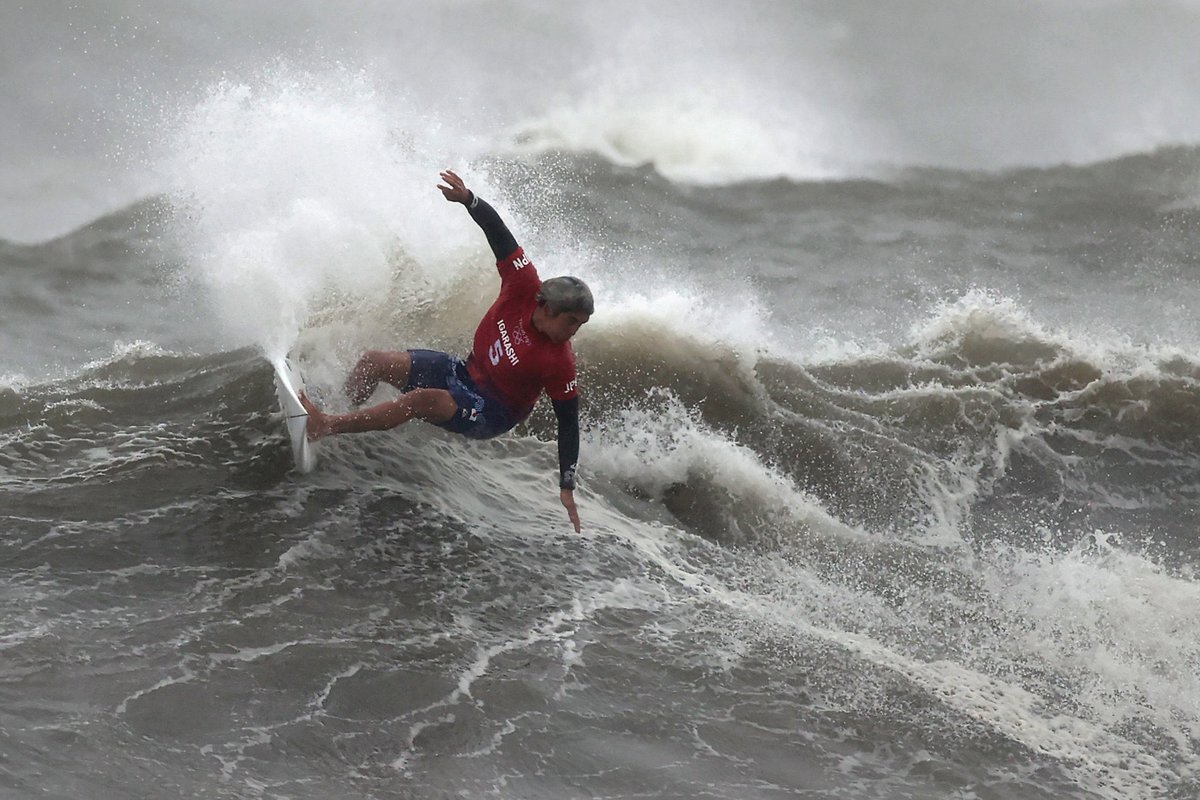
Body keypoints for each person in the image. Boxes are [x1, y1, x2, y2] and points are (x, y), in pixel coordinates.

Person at [300, 170, 593, 532]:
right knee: (373, 362)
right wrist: (469, 199)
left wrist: (566, 486)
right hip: (465, 372)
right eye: (572, 321)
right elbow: (499, 235)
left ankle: (326, 426)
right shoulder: (523, 283)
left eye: (582, 324)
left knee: (422, 400)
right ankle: (339, 412)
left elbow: (568, 422)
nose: (574, 332)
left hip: (493, 411)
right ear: (546, 307)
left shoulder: (558, 361)